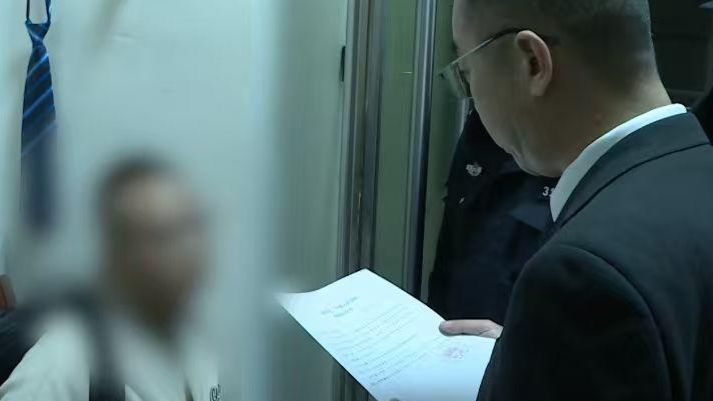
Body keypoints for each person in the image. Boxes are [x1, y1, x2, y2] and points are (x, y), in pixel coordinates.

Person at [438, 0, 713, 400]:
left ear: (532, 62)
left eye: (466, 73)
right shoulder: (697, 171)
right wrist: (537, 355)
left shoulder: (581, 274)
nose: (472, 98)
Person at [0, 157, 220, 401]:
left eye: (190, 229)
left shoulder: (197, 351)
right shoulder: (65, 361)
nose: (185, 252)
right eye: (160, 236)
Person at [428, 108, 557, 325]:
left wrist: (519, 342)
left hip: (520, 335)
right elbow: (450, 248)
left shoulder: (574, 145)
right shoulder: (480, 130)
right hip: (457, 327)